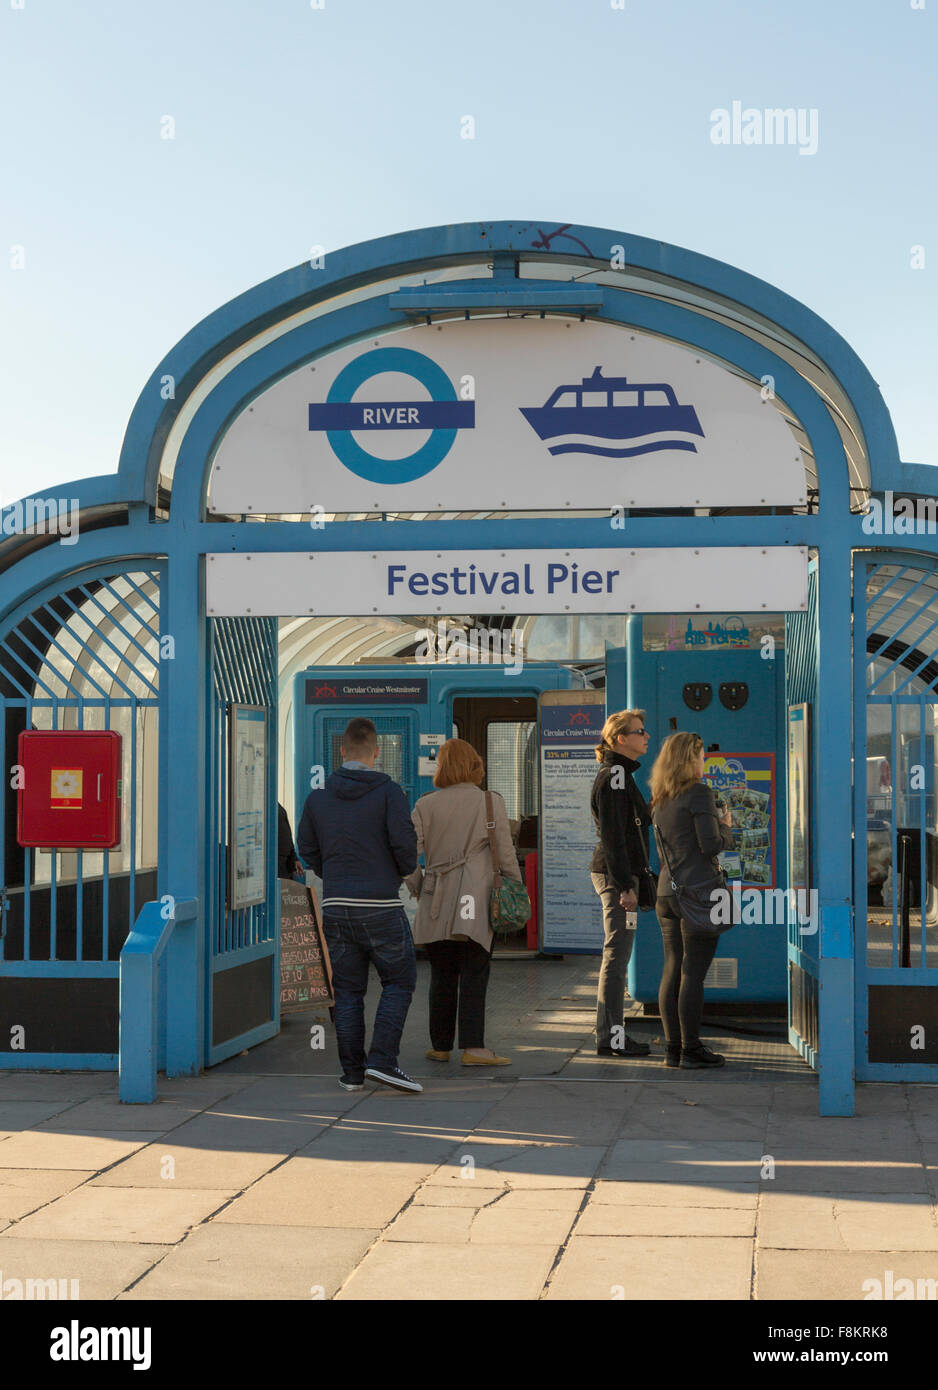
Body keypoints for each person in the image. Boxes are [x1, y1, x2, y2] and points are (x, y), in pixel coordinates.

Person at [296, 717, 420, 1093]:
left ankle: (352, 1073)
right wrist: (397, 874)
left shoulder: (318, 797)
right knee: (399, 981)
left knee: (348, 990)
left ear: (343, 750)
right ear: (376, 753)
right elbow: (405, 848)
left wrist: (331, 872)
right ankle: (382, 1060)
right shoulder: (390, 793)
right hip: (381, 905)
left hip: (336, 906)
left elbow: (307, 849)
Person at [406, 738, 520, 1066]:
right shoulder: (489, 801)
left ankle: (440, 1045)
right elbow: (505, 851)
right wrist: (515, 885)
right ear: (474, 765)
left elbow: (407, 855)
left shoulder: (425, 805)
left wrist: (418, 885)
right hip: (474, 898)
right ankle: (474, 1048)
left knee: (442, 972)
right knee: (475, 969)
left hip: (436, 897)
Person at [649, 731, 735, 1069]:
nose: (705, 761)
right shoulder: (699, 792)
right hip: (698, 895)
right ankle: (692, 1050)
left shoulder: (660, 797)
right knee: (693, 975)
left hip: (667, 894)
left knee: (672, 968)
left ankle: (673, 1050)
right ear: (690, 759)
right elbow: (710, 845)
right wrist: (726, 826)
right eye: (701, 755)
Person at [589, 709, 657, 1058]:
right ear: (621, 739)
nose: (646, 736)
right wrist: (624, 886)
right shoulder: (615, 774)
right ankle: (612, 1037)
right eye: (639, 731)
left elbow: (625, 827)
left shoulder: (620, 774)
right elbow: (614, 836)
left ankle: (611, 1035)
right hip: (618, 876)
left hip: (622, 873)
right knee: (616, 957)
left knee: (618, 954)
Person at [277, 802, 302, 879]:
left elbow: (287, 832)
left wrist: (294, 858)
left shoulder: (275, 802)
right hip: (275, 862)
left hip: (285, 863)